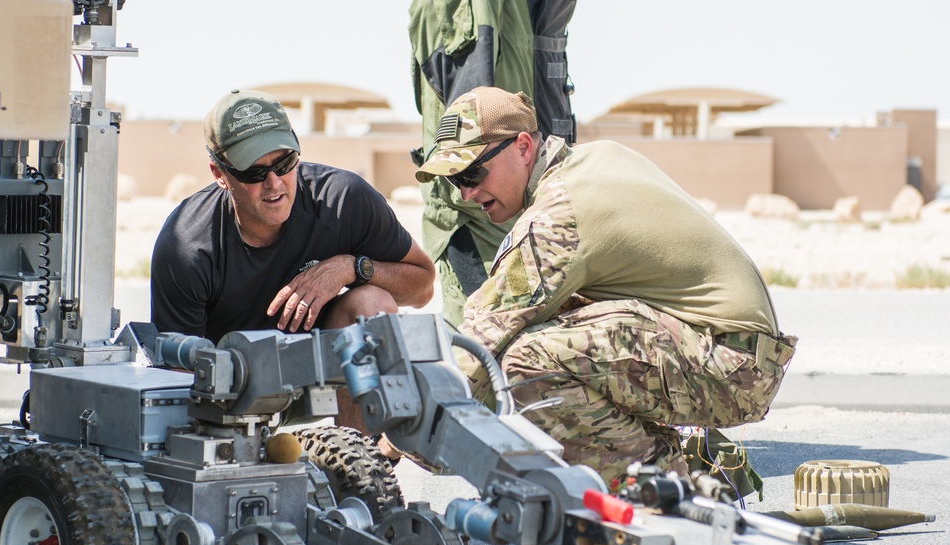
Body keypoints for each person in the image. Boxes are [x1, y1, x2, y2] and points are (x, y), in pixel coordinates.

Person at [414, 86, 798, 486]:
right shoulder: (591, 161)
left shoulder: (560, 215)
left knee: (526, 361)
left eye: (472, 173)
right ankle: (671, 471)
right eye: (455, 181)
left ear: (523, 147)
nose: (467, 193)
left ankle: (661, 494)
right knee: (559, 326)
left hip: (733, 367)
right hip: (733, 353)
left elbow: (486, 333)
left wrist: (404, 434)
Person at [151, 89, 436, 343]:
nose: (274, 183)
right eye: (253, 172)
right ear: (220, 174)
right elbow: (177, 373)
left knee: (372, 303)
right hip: (227, 384)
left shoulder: (342, 201)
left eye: (285, 162)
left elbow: (422, 289)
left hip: (322, 379)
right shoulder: (187, 244)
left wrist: (352, 268)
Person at [409, 0, 576, 328]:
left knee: (493, 347)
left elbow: (471, 145)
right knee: (498, 345)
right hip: (499, 223)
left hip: (517, 217)